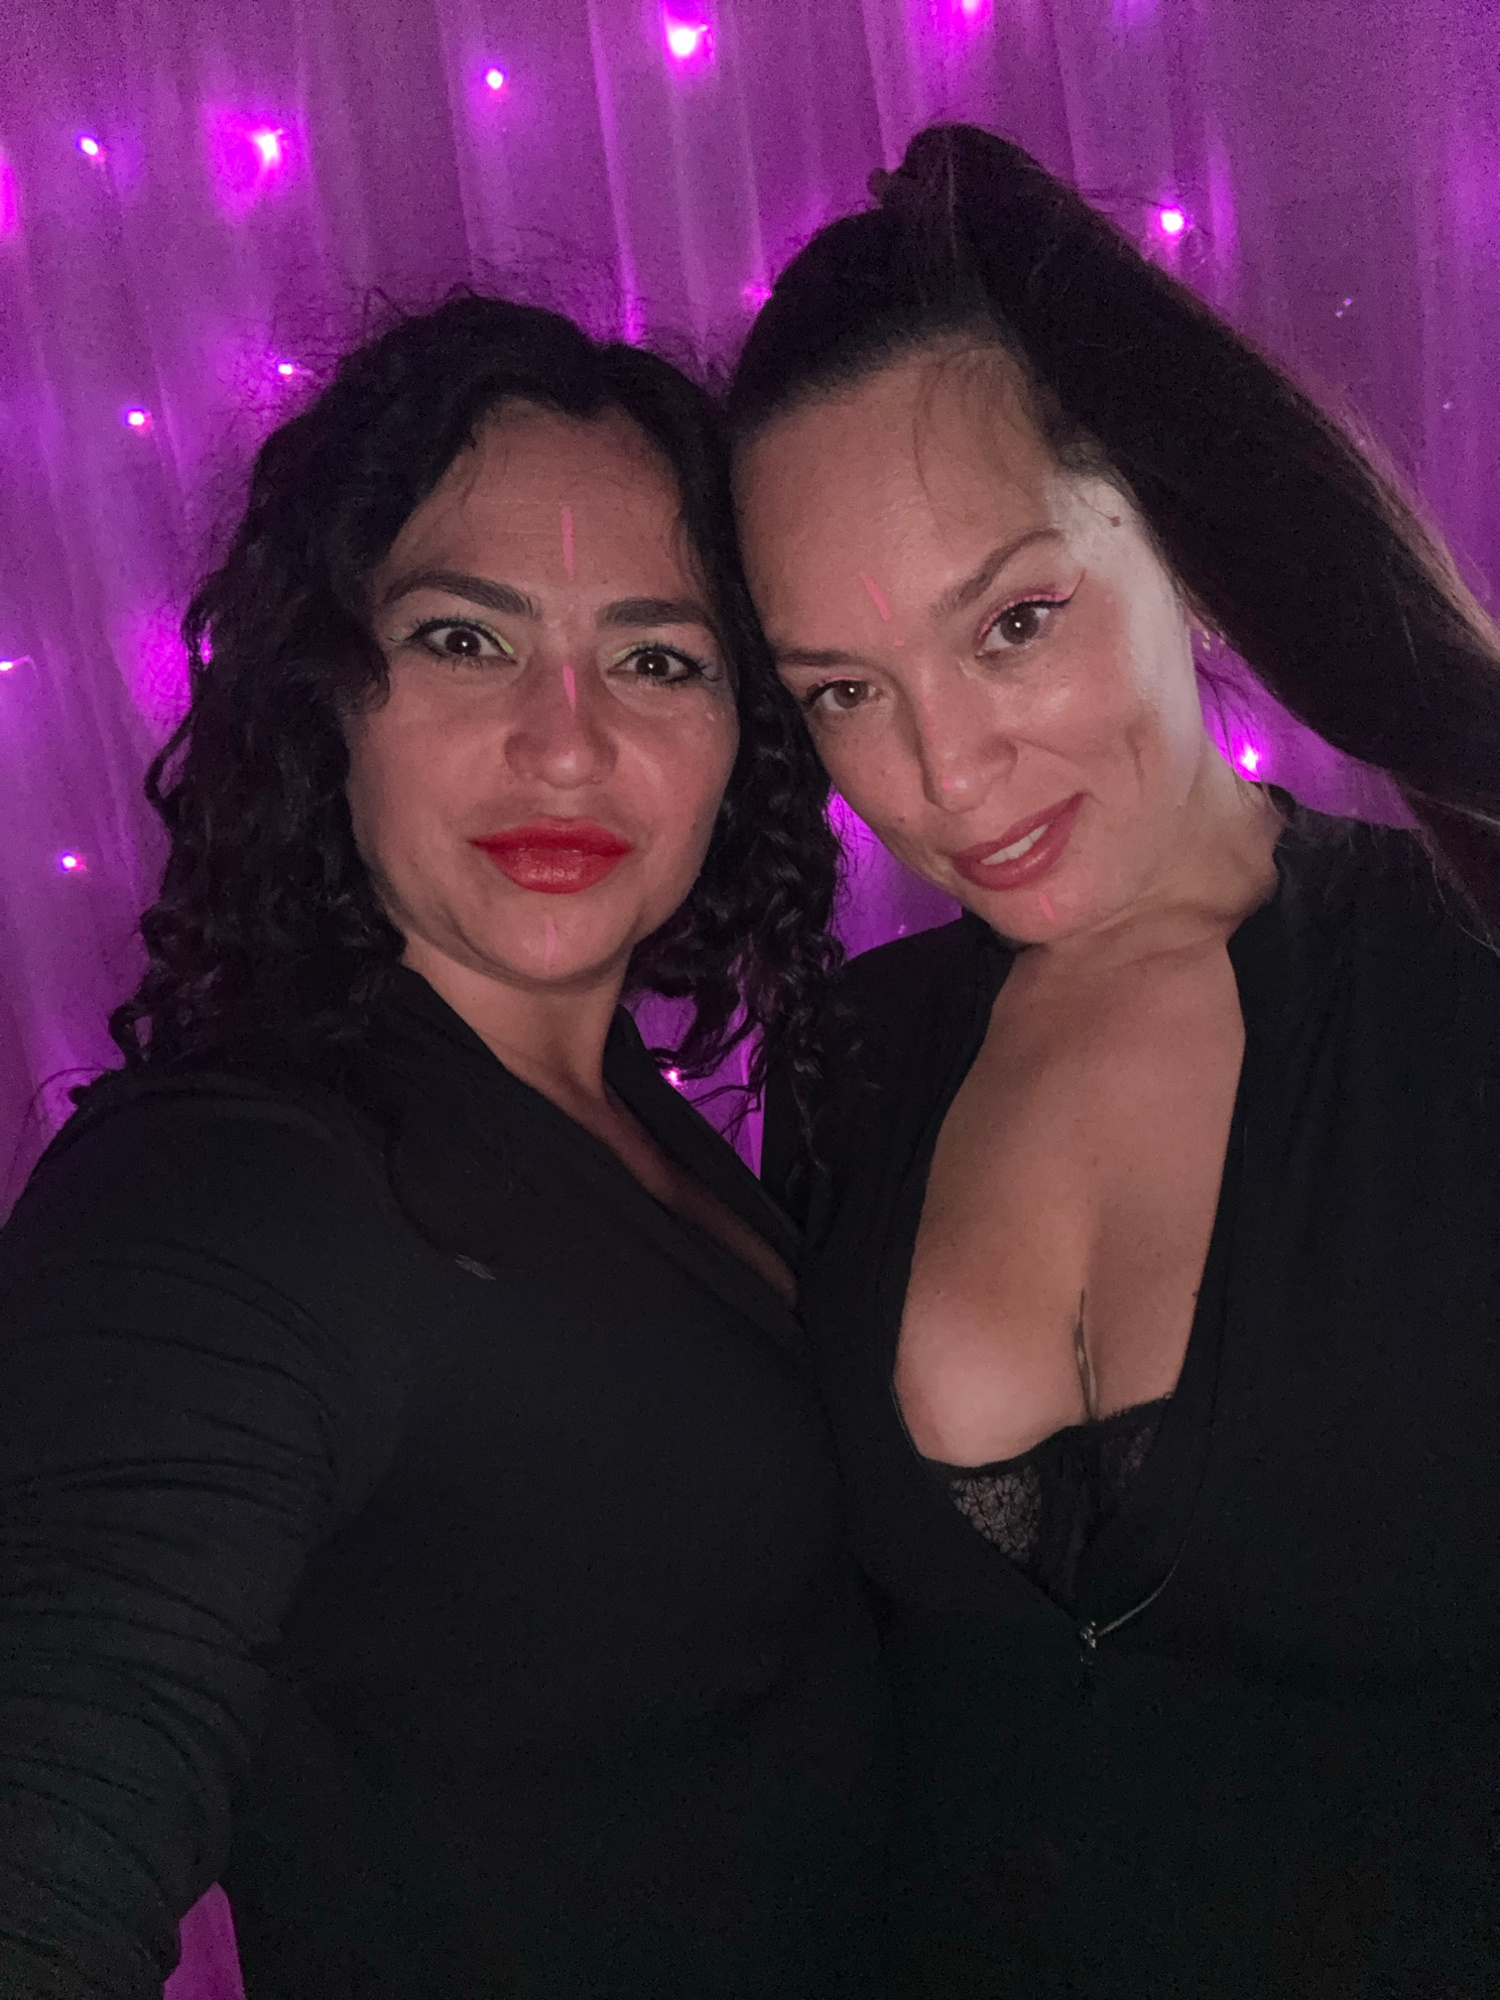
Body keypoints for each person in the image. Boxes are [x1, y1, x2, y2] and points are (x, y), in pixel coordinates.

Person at [0, 295, 885, 1999]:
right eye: (466, 639)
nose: (567, 741)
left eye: (657, 658)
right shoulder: (235, 1188)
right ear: (326, 699)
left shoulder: (644, 1120)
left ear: (742, 739)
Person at [727, 123, 1500, 1997]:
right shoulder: (848, 1067)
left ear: (1182, 547)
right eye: (845, 691)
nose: (944, 773)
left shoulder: (1464, 979)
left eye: (1014, 623)